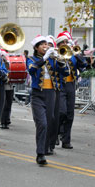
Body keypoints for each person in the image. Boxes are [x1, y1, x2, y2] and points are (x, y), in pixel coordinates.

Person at [27, 35, 69, 165]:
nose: (46, 46)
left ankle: (45, 148)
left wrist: (61, 62)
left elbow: (66, 73)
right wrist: (45, 58)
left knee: (50, 121)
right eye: (42, 44)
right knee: (42, 123)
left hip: (51, 94)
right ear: (36, 47)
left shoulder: (53, 59)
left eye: (47, 44)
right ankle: (40, 153)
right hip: (37, 94)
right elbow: (32, 69)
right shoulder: (31, 58)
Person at [57, 33, 87, 150]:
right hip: (60, 84)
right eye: (63, 43)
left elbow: (83, 65)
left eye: (66, 42)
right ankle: (56, 132)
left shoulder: (73, 55)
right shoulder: (57, 54)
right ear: (59, 44)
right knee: (61, 112)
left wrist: (77, 54)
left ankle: (66, 140)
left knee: (70, 114)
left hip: (70, 85)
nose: (65, 44)